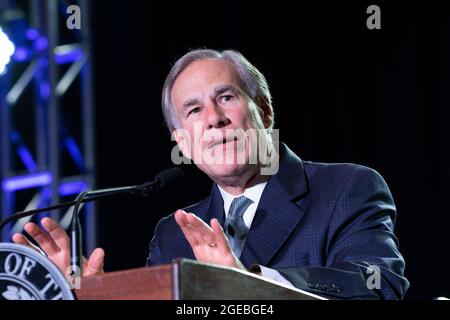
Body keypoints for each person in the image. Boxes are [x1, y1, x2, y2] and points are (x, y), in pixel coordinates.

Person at [12, 49, 409, 299]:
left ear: (264, 110)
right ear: (182, 142)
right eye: (193, 110)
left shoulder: (346, 188)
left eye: (226, 97)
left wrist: (250, 283)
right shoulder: (174, 233)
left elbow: (380, 288)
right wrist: (93, 295)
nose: (214, 120)